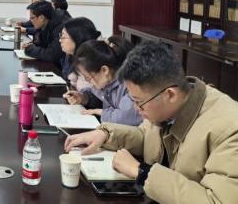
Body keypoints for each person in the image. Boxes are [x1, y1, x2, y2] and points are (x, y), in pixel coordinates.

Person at [64, 41, 238, 204]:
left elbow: (216, 200)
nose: (136, 108)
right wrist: (106, 134)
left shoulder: (229, 130)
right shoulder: (168, 105)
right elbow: (145, 136)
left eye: (140, 102)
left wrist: (143, 173)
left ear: (170, 95)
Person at [63, 36, 142, 126]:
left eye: (88, 77)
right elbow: (102, 98)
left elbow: (125, 119)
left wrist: (101, 112)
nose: (89, 81)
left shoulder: (131, 83)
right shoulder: (108, 82)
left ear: (104, 70)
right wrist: (84, 97)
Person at [59, 17, 100, 91]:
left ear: (77, 38)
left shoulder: (88, 62)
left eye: (63, 37)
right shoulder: (70, 56)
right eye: (61, 36)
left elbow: (86, 93)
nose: (60, 40)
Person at [22, 0, 66, 66]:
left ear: (41, 17)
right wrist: (34, 44)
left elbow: (52, 55)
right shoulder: (52, 22)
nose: (31, 21)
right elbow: (47, 41)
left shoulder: (60, 27)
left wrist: (30, 49)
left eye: (32, 18)